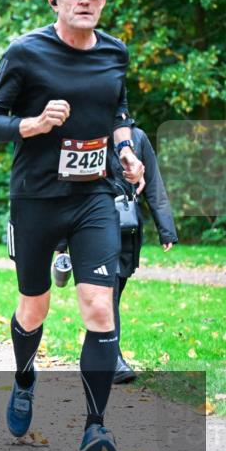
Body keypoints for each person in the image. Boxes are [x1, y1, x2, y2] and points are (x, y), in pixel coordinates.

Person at [0, 0, 146, 451]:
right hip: (35, 198)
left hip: (93, 195)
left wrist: (126, 151)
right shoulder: (26, 51)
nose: (85, 0)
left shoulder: (115, 52)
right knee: (34, 307)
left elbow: (118, 112)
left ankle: (95, 427)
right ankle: (25, 377)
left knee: (99, 306)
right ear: (54, 0)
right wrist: (32, 123)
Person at [52, 125, 178, 384]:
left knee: (113, 294)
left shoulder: (138, 137)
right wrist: (62, 241)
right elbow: (67, 188)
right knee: (105, 294)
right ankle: (112, 359)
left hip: (126, 230)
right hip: (90, 228)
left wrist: (166, 230)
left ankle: (98, 355)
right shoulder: (83, 134)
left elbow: (153, 183)